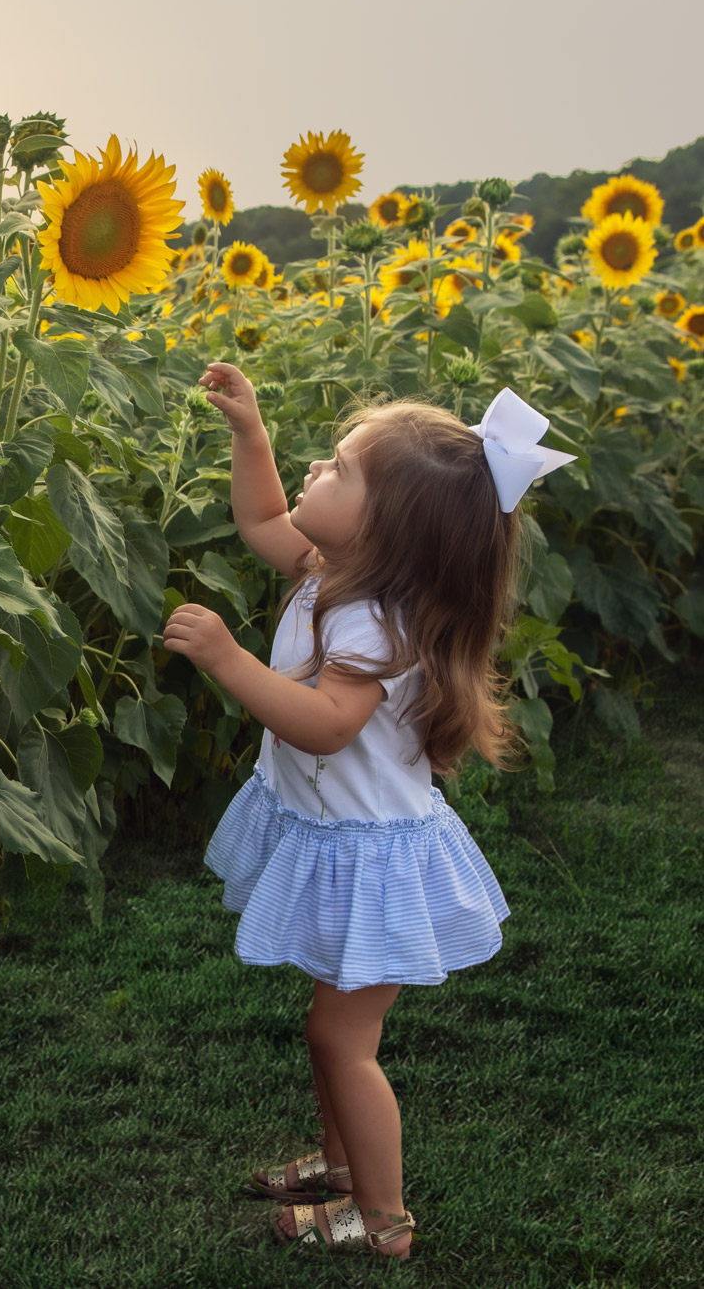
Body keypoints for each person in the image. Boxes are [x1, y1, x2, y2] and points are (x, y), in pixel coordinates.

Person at [161, 362, 575, 1261]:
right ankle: (343, 1168)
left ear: (389, 532)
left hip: (372, 858)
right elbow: (263, 520)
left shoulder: (374, 627)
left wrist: (232, 661)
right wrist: (251, 435)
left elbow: (323, 727)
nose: (317, 470)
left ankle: (381, 1220)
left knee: (343, 1039)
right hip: (340, 841)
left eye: (339, 470)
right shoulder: (332, 567)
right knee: (328, 1026)